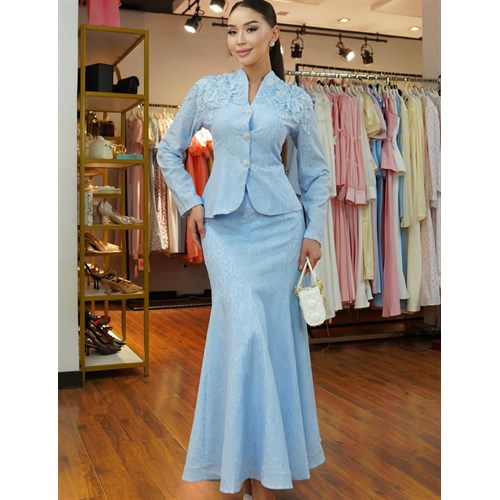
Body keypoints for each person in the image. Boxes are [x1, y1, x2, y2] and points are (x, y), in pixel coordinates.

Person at [156, 1, 330, 497]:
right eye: (231, 31)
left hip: (281, 232)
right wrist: (191, 202)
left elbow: (316, 173)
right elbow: (168, 150)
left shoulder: (294, 101)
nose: (239, 40)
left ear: (273, 34)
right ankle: (239, 462)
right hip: (225, 232)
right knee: (243, 332)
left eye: (250, 29)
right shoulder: (207, 90)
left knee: (272, 338)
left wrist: (314, 231)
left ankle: (268, 465)